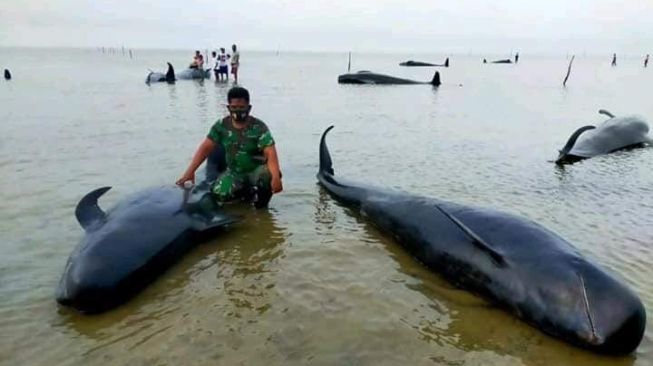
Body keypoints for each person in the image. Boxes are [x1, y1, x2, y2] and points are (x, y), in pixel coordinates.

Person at [176, 87, 283, 209]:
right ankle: (246, 193)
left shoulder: (259, 127)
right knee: (219, 195)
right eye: (234, 108)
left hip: (255, 170)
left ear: (249, 107)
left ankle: (262, 207)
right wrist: (189, 172)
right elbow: (205, 148)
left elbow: (270, 152)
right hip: (234, 172)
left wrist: (275, 178)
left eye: (242, 107)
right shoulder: (221, 125)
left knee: (267, 175)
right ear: (228, 108)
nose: (238, 111)